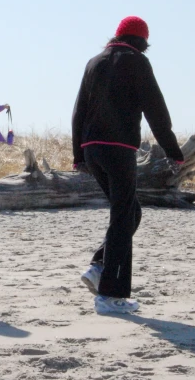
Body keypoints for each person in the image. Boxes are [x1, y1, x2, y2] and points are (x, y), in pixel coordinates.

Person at [71, 16, 184, 315]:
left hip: (91, 149)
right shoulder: (137, 63)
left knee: (130, 212)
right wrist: (174, 151)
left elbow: (78, 110)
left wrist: (78, 155)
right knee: (122, 216)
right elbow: (156, 111)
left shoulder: (94, 62)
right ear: (141, 42)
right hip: (118, 149)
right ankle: (111, 296)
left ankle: (99, 265)